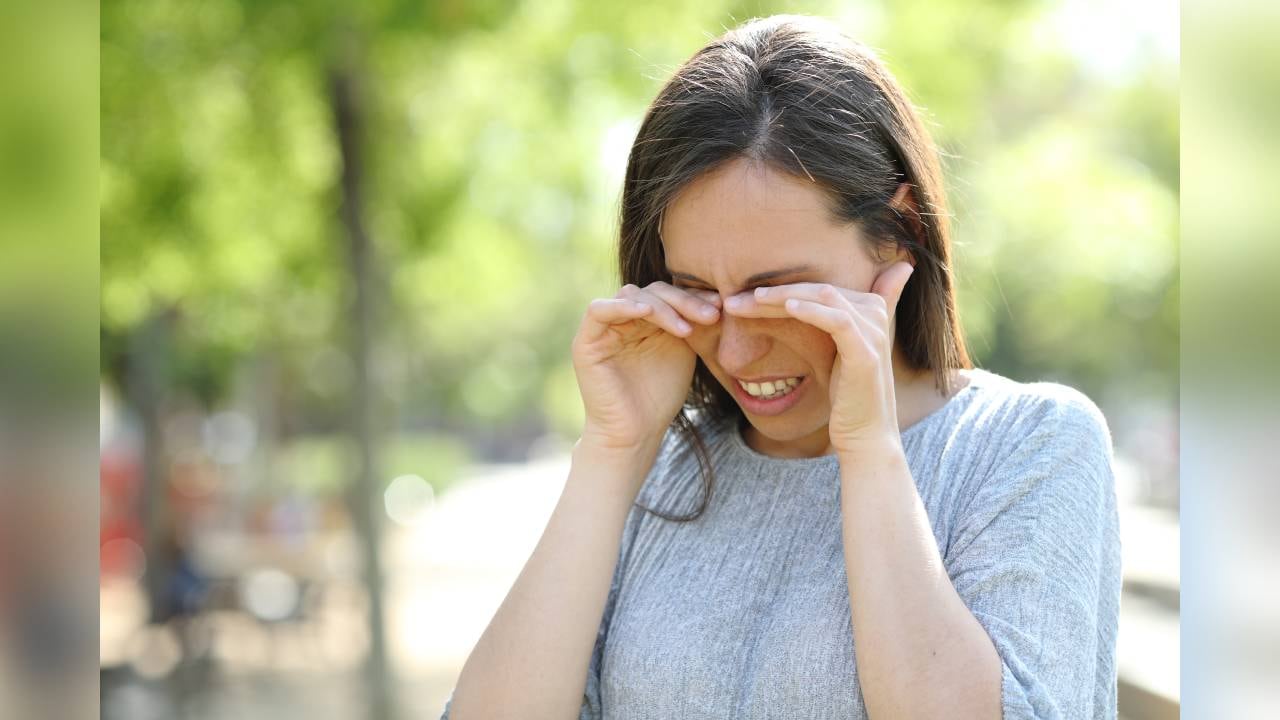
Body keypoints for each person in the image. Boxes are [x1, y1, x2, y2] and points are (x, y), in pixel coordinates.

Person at [442, 14, 1120, 720]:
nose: (735, 352)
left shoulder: (1028, 445)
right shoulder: (662, 471)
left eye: (777, 296)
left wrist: (869, 453)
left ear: (901, 233)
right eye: (699, 292)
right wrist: (614, 452)